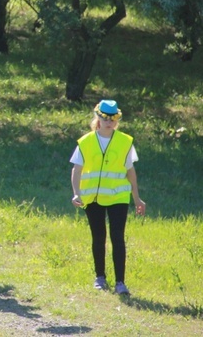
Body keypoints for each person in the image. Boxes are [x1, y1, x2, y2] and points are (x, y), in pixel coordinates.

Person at [70, 100, 146, 295]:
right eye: (104, 118)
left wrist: (137, 198)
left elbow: (131, 172)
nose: (108, 122)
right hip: (92, 198)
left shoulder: (124, 141)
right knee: (98, 237)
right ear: (98, 118)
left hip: (118, 197)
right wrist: (76, 193)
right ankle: (100, 277)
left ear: (117, 120)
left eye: (113, 119)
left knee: (117, 237)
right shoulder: (85, 141)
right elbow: (76, 170)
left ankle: (120, 283)